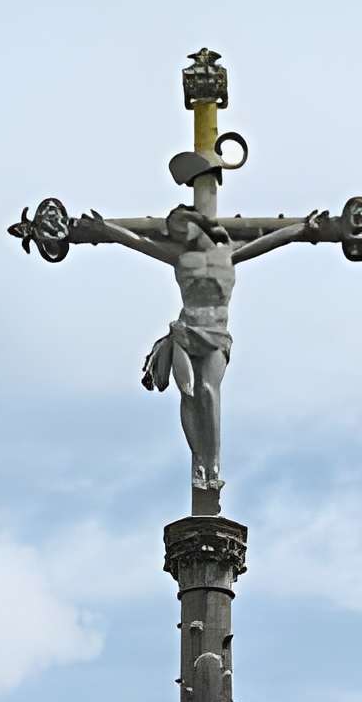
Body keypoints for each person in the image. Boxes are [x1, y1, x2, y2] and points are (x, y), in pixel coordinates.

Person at [77, 200, 326, 503]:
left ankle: (214, 464)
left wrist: (302, 228)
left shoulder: (228, 253)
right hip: (186, 330)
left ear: (198, 223)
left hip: (216, 333)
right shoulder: (181, 257)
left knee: (209, 391)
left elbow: (270, 241)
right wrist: (105, 229)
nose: (180, 233)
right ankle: (199, 465)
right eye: (176, 230)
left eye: (183, 226)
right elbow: (139, 242)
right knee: (189, 393)